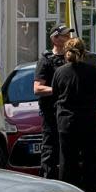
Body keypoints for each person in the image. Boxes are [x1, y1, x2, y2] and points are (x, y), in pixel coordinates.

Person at [51, 37, 96, 192]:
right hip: (89, 121)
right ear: (84, 53)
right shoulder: (93, 72)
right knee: (91, 159)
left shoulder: (59, 72)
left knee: (68, 160)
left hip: (66, 122)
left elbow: (55, 94)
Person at [32, 25, 71, 179]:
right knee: (50, 149)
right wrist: (59, 90)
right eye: (65, 36)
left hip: (68, 112)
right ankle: (49, 180)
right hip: (52, 113)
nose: (69, 38)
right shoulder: (46, 61)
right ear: (55, 39)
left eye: (69, 35)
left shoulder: (71, 58)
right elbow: (37, 88)